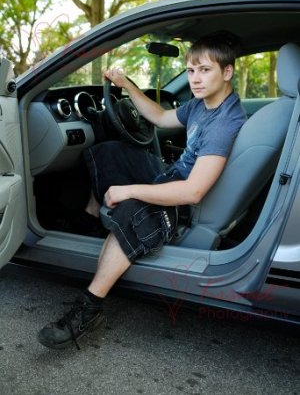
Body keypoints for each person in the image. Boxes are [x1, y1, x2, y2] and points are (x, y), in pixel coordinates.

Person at [37, 34, 246, 349]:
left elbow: (192, 192)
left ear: (227, 72)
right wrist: (126, 85)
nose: (195, 79)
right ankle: (95, 219)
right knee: (107, 150)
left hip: (185, 201)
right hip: (171, 174)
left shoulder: (224, 123)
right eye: (190, 71)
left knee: (130, 209)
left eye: (204, 70)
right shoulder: (203, 104)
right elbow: (161, 117)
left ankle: (89, 307)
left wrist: (128, 190)